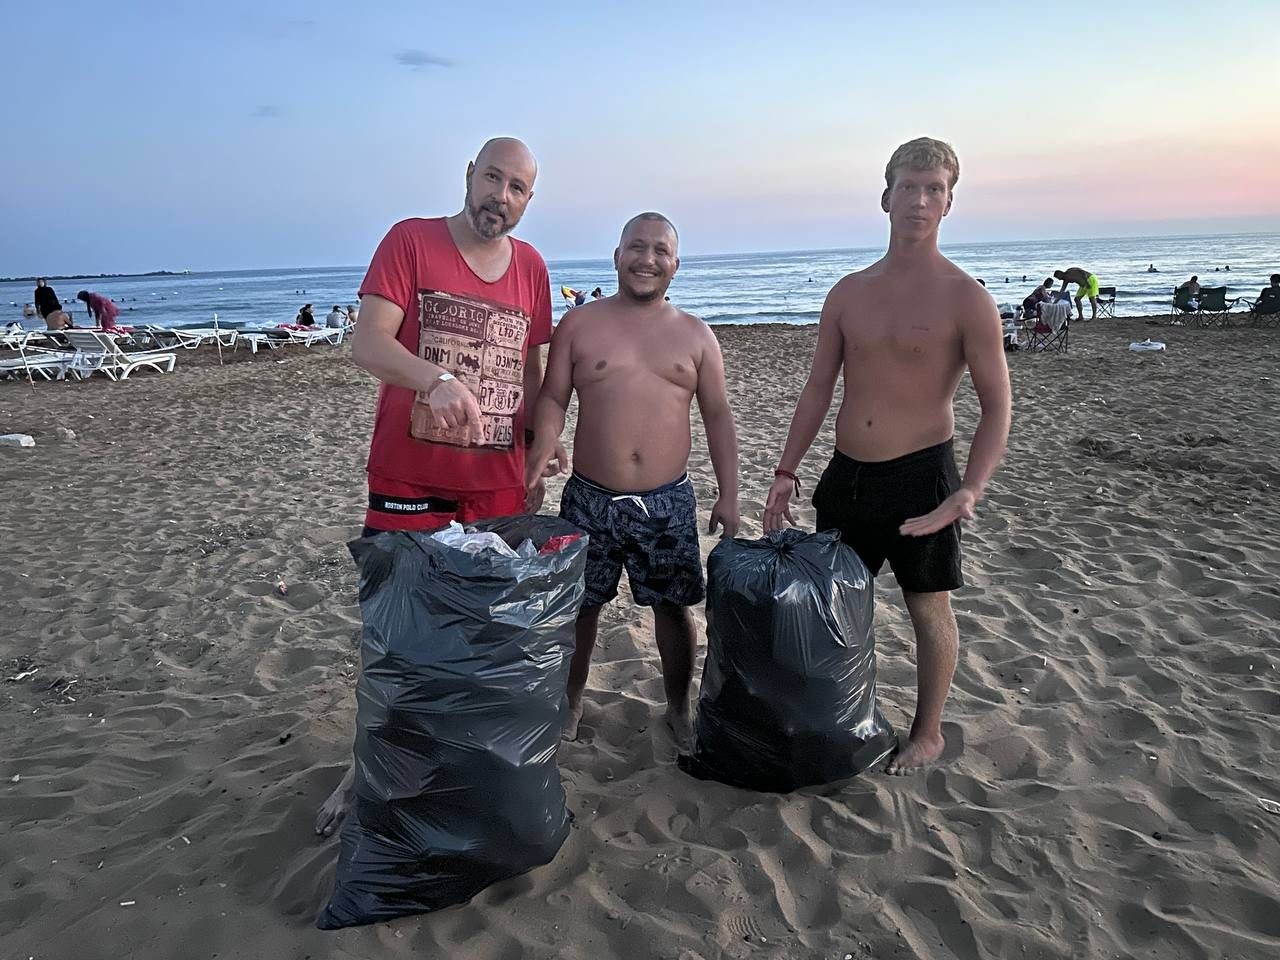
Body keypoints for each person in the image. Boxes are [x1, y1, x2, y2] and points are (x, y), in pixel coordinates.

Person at [314, 136, 564, 838]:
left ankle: (460, 766)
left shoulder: (534, 268)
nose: (502, 198)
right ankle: (361, 768)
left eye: (518, 188)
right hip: (407, 483)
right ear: (469, 176)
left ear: (528, 200)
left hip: (496, 491)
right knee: (395, 639)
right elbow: (368, 343)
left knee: (482, 642)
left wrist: (540, 447)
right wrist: (437, 377)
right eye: (493, 179)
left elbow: (531, 371)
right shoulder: (411, 242)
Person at [762, 137, 1011, 776]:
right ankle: (835, 717)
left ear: (950, 202)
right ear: (886, 196)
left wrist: (971, 489)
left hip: (922, 473)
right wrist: (787, 471)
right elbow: (819, 386)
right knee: (831, 602)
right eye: (909, 186)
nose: (920, 199)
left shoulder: (967, 299)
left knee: (928, 605)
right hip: (848, 475)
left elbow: (997, 407)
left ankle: (926, 732)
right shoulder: (849, 292)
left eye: (934, 189)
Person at [525, 212, 740, 743]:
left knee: (674, 609)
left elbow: (718, 415)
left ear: (676, 265)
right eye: (637, 248)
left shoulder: (696, 335)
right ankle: (570, 702)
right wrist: (542, 448)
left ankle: (678, 706)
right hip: (589, 498)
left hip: (667, 502)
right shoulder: (580, 325)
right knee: (578, 608)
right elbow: (553, 396)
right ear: (617, 256)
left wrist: (730, 494)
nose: (648, 259)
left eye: (660, 251)